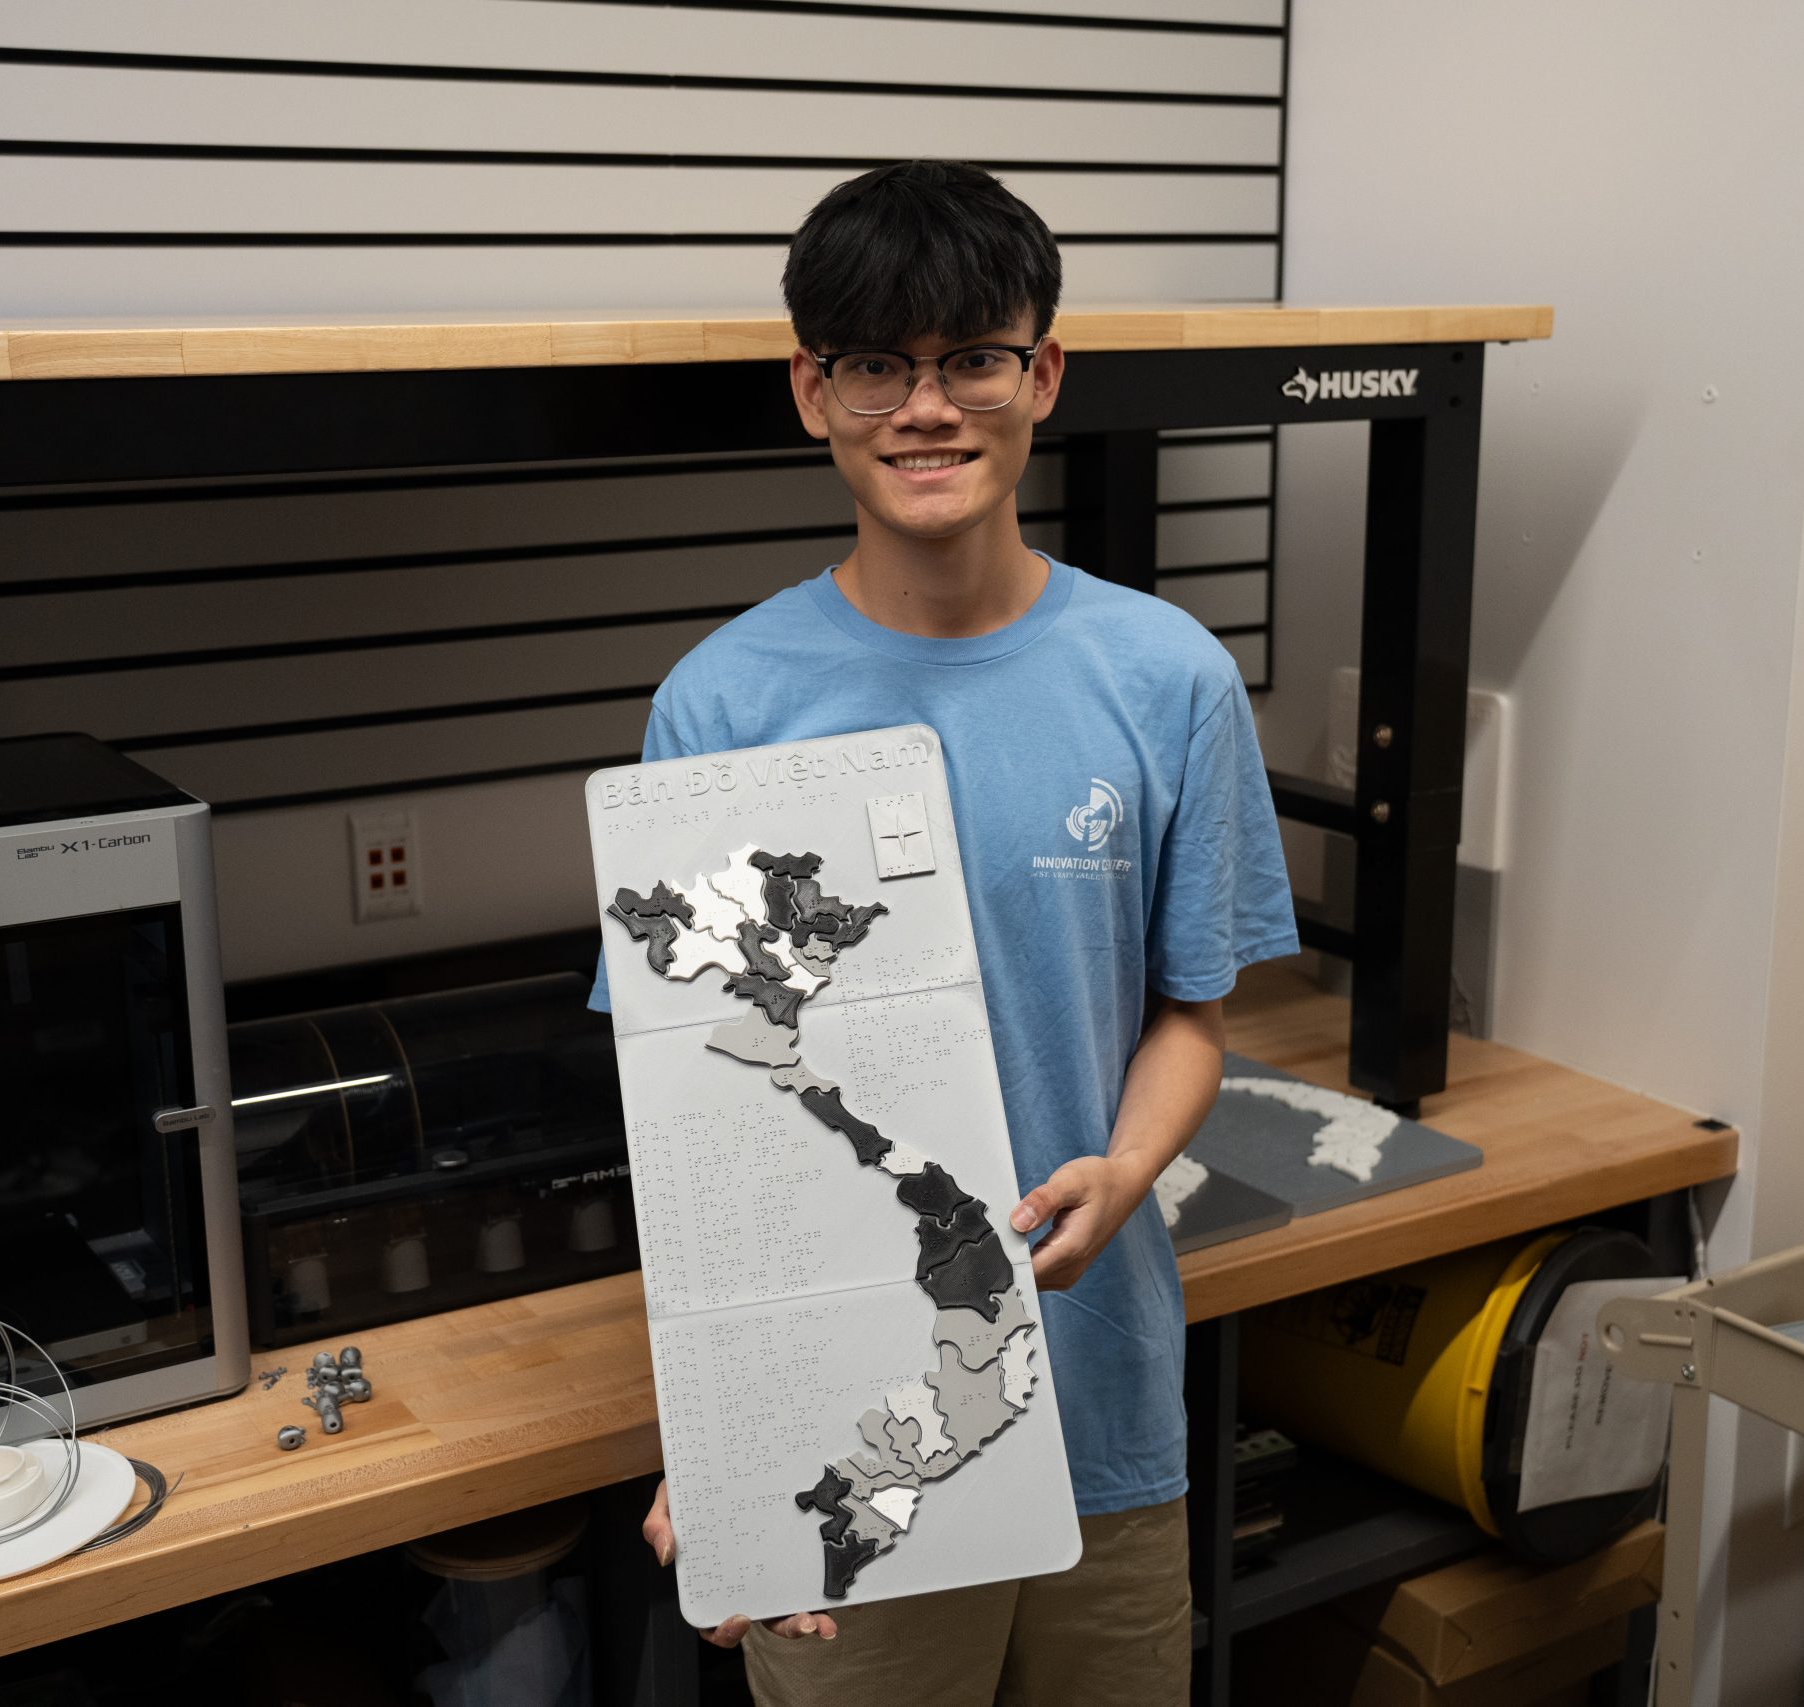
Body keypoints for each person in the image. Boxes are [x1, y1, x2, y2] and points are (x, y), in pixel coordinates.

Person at [591, 159, 1297, 1706]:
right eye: (873, 365)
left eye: (973, 356)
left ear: (1042, 374)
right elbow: (709, 1118)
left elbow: (1192, 1013)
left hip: (1102, 1394)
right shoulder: (724, 706)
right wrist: (726, 1433)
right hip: (853, 1430)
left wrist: (1126, 1168)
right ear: (810, 392)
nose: (928, 407)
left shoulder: (1164, 676)